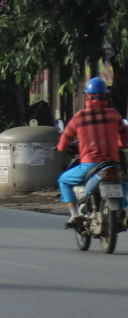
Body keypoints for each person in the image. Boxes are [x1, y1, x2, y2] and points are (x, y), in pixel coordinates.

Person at [56, 77, 128, 229]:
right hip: (112, 163)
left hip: (90, 165)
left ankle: (74, 214)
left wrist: (62, 148)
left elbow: (64, 141)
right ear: (105, 96)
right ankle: (121, 213)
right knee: (123, 184)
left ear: (87, 97)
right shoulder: (114, 114)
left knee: (64, 180)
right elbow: (124, 138)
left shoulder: (80, 117)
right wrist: (120, 145)